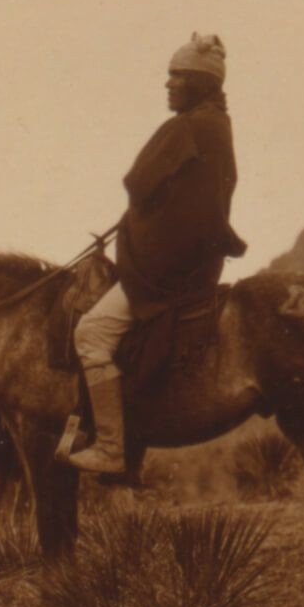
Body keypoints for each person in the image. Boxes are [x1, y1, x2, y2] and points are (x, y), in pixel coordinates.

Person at [67, 33, 247, 474]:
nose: (168, 85)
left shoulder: (186, 128)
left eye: (177, 77)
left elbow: (138, 183)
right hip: (194, 266)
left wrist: (138, 227)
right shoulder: (217, 126)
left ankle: (111, 446)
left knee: (89, 333)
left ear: (201, 83)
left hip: (166, 274)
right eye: (169, 76)